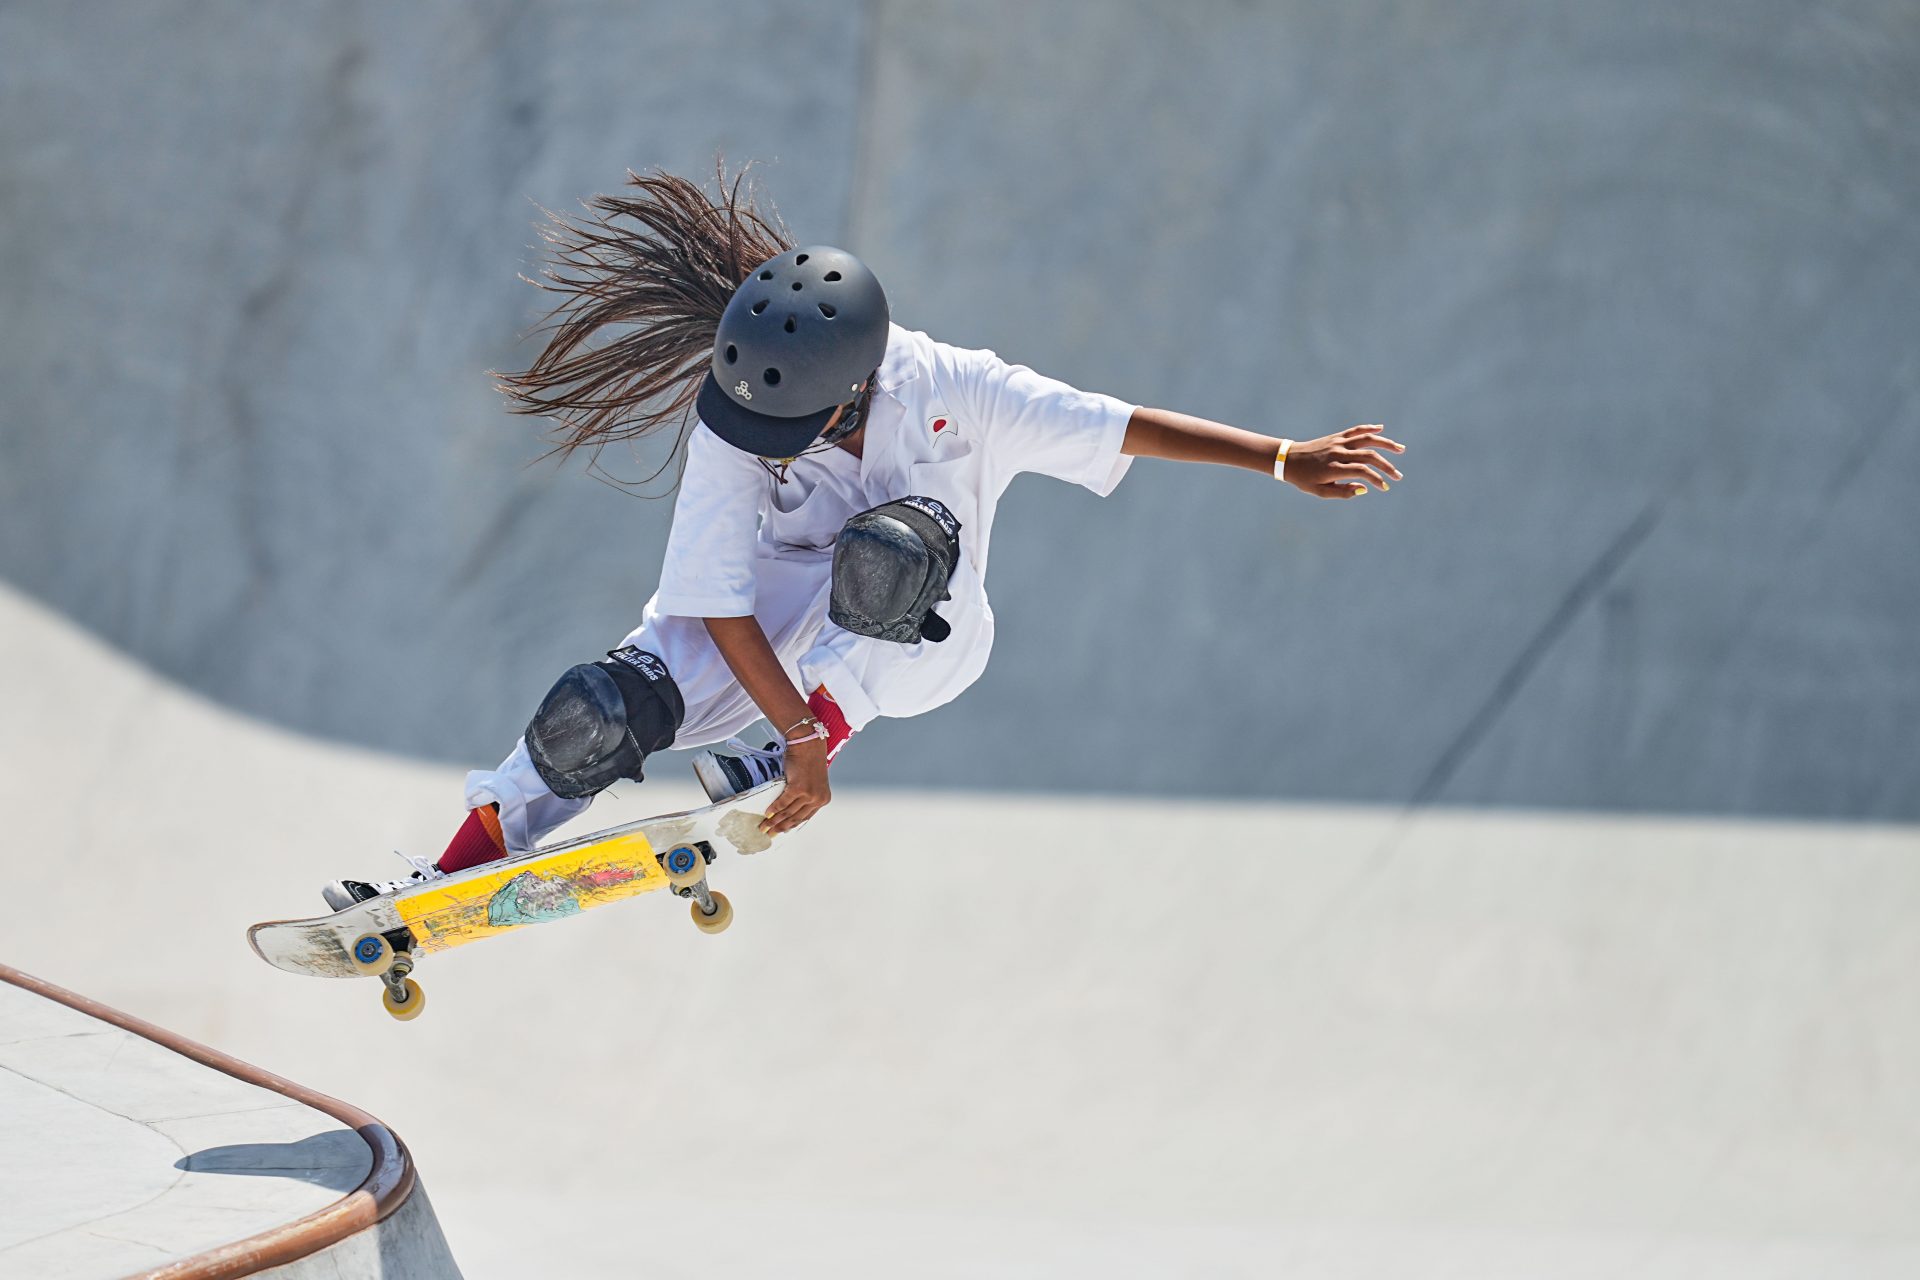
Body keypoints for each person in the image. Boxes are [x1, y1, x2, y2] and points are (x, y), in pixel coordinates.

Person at [322, 169, 1406, 909]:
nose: (767, 447)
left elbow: (1118, 422)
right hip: (766, 632)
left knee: (887, 548)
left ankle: (808, 733)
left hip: (923, 634)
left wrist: (1279, 456)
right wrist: (783, 727)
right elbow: (711, 597)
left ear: (853, 391)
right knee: (592, 715)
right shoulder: (735, 411)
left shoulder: (963, 391)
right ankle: (441, 875)